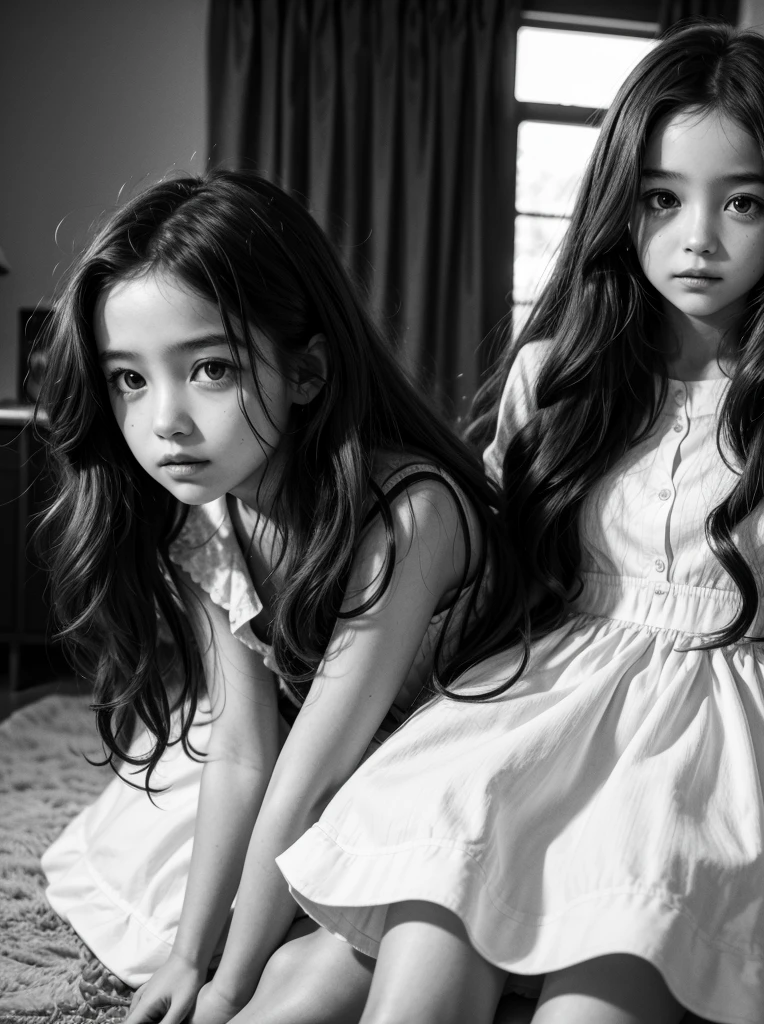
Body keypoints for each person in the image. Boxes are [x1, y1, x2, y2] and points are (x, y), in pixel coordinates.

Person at [269, 23, 764, 1024]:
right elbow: (504, 591)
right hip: (544, 711)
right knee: (411, 968)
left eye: (744, 202)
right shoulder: (559, 375)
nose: (699, 240)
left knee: (595, 995)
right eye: (661, 199)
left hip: (720, 747)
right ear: (619, 205)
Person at [36, 170, 527, 1024]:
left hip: (455, 767)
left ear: (305, 371)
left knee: (317, 977)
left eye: (211, 369)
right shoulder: (211, 507)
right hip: (338, 764)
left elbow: (310, 775)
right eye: (130, 380)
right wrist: (196, 958)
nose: (166, 422)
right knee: (190, 912)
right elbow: (243, 750)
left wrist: (228, 984)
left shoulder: (410, 512)